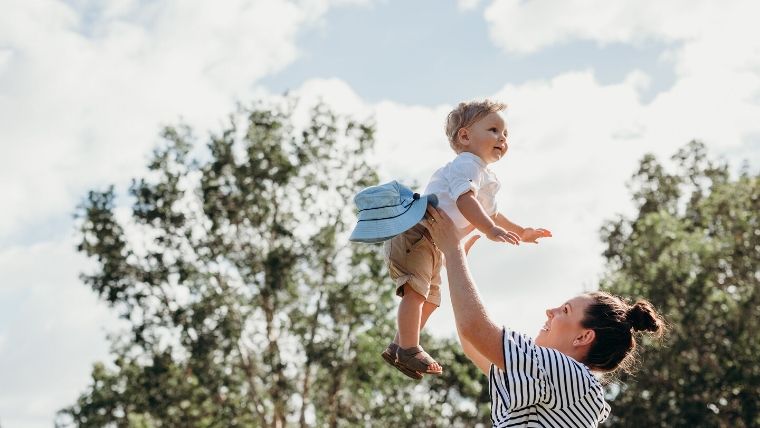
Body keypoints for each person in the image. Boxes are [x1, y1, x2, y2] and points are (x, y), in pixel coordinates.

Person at [422, 205, 666, 427]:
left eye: (565, 310)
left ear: (583, 336)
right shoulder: (563, 384)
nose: (550, 311)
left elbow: (474, 329)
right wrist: (454, 265)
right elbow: (473, 343)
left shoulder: (570, 375)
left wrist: (453, 250)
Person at [379, 100, 552, 379]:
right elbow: (465, 201)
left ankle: (400, 345)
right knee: (416, 292)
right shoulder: (466, 165)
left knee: (432, 299)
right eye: (494, 130)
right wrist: (489, 230)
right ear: (465, 136)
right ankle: (410, 347)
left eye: (505, 134)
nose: (502, 138)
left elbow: (494, 214)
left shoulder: (486, 176)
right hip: (417, 232)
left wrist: (522, 231)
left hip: (434, 241)